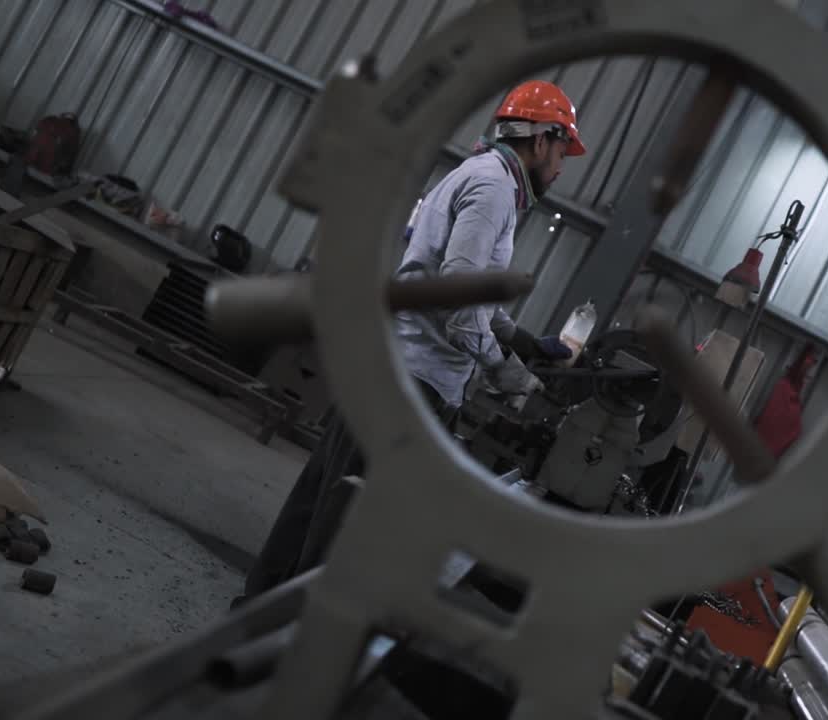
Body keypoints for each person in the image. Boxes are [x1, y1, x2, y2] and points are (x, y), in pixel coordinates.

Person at [235, 80, 588, 605]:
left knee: (318, 504)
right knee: (344, 529)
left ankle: (254, 615)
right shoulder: (493, 189)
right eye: (563, 150)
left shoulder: (480, 177)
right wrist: (504, 371)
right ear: (541, 140)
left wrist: (518, 338)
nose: (561, 167)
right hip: (413, 386)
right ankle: (283, 642)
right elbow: (455, 296)